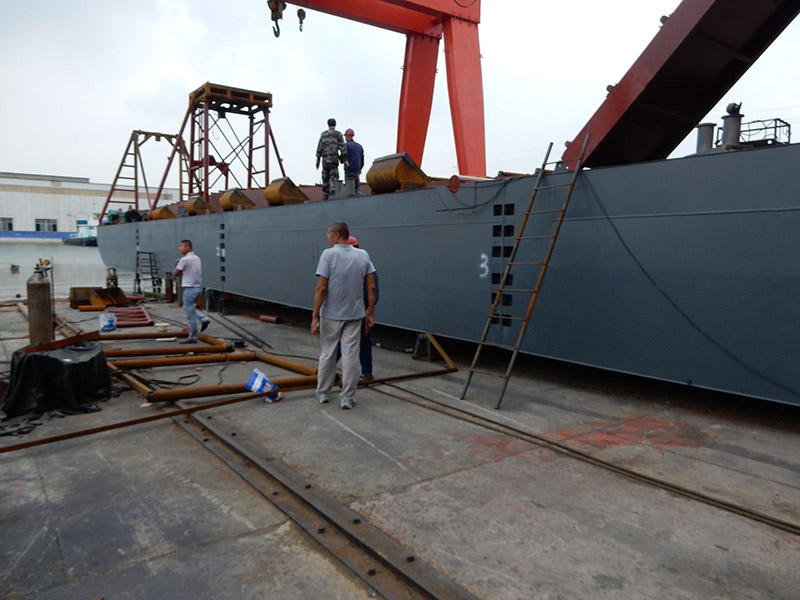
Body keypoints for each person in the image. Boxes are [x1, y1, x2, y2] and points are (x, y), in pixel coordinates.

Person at [312, 222, 376, 409]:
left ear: (337, 235)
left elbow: (322, 288)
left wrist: (315, 316)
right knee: (350, 356)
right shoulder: (363, 255)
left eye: (329, 234)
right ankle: (347, 397)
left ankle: (323, 392)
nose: (328, 238)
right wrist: (370, 312)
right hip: (355, 315)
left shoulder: (328, 254)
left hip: (331, 314)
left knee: (328, 353)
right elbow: (371, 287)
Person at [173, 239, 211, 344]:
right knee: (188, 307)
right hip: (198, 288)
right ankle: (203, 319)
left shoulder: (184, 259)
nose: (179, 248)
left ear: (187, 247)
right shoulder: (197, 258)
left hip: (189, 288)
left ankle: (193, 337)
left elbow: (175, 273)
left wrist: (179, 268)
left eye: (181, 246)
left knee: (190, 316)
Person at [315, 118, 348, 201]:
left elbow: (319, 147)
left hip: (325, 160)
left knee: (325, 177)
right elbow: (343, 148)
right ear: (335, 125)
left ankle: (325, 196)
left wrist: (317, 160)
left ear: (328, 124)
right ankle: (332, 195)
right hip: (333, 160)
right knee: (334, 177)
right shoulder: (338, 134)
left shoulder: (323, 134)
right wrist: (345, 160)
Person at [344, 128, 365, 196]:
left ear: (348, 136)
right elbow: (362, 160)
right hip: (357, 169)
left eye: (345, 136)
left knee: (350, 190)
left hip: (349, 170)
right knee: (357, 188)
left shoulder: (346, 146)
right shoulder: (359, 146)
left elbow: (343, 158)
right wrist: (359, 168)